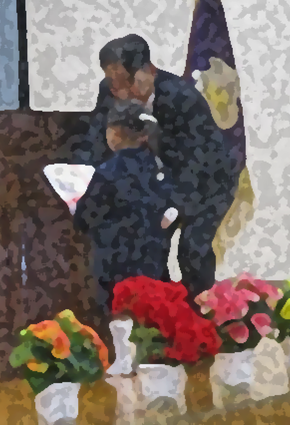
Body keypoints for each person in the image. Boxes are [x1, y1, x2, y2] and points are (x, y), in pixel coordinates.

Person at [85, 34, 242, 303]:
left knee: (192, 247)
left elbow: (194, 162)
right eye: (113, 82)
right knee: (148, 243)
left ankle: (201, 309)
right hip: (162, 178)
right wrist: (92, 176)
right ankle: (160, 306)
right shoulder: (109, 90)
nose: (120, 91)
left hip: (210, 179)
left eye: (126, 81)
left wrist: (174, 207)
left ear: (149, 70)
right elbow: (99, 139)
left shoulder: (181, 97)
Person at [73, 99, 177, 372]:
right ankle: (149, 358)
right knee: (149, 303)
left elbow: (85, 215)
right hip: (152, 250)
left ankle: (123, 360)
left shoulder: (109, 171)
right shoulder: (158, 166)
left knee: (118, 304)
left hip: (115, 253)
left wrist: (77, 209)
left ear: (114, 132)